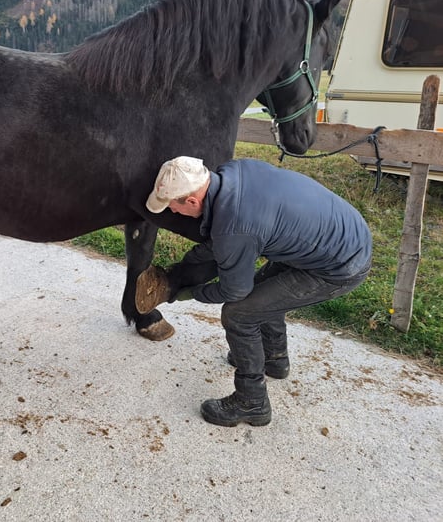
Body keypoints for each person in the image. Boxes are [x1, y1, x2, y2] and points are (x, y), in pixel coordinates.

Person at [136, 156, 372, 427]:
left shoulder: (235, 227)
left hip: (339, 267)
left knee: (240, 313)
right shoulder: (235, 172)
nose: (173, 213)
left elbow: (234, 289)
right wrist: (189, 263)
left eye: (172, 207)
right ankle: (274, 359)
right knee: (263, 296)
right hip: (339, 235)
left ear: (191, 201)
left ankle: (252, 401)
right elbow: (226, 238)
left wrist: (186, 293)